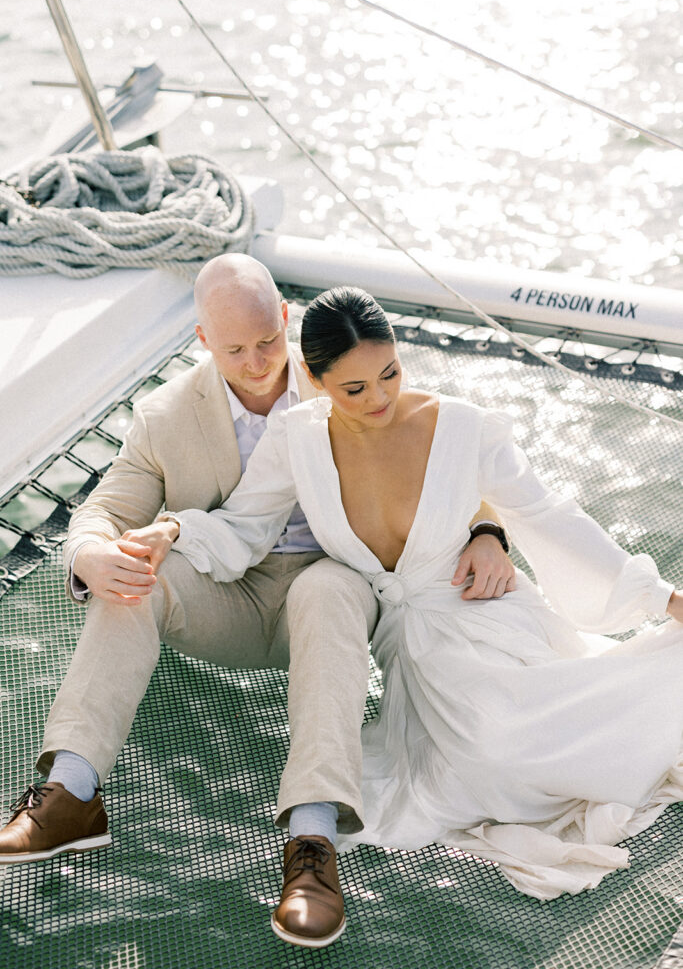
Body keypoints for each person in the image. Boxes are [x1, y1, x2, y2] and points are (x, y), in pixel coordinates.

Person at [145, 285, 681, 948]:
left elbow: (547, 515)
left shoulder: (463, 426)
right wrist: (173, 531)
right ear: (311, 378)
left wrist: (663, 599)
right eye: (353, 388)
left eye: (389, 373)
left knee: (513, 735)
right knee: (482, 755)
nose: (377, 399)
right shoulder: (298, 440)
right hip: (412, 644)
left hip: (488, 610)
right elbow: (244, 527)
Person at [0, 257, 511, 876]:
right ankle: (72, 795)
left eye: (269, 341)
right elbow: (105, 509)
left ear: (287, 320)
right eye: (235, 348)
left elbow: (440, 453)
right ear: (203, 341)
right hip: (226, 594)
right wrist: (90, 554)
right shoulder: (162, 417)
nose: (256, 362)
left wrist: (487, 530)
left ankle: (313, 838)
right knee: (135, 571)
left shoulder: (348, 375)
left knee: (327, 588)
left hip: (335, 593)